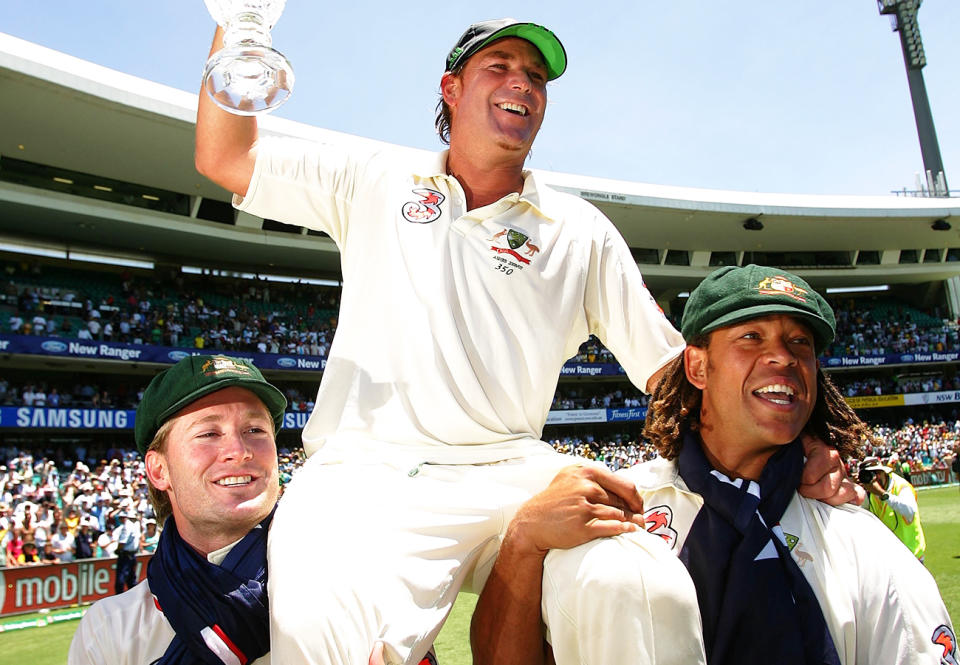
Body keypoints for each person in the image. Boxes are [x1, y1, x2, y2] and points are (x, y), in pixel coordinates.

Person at [195, 16, 856, 665]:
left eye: (537, 76)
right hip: (362, 475)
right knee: (321, 640)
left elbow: (674, 369)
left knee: (639, 583)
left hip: (513, 471)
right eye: (501, 67)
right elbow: (226, 156)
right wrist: (239, 20)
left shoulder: (578, 230)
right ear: (452, 89)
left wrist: (799, 443)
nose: (524, 84)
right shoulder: (374, 177)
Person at [477, 265, 954, 665]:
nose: (783, 357)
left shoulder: (864, 545)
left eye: (800, 343)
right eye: (751, 336)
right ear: (698, 368)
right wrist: (522, 543)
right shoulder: (614, 510)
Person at [68, 354, 287, 665]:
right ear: (159, 471)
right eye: (209, 433)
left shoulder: (351, 586)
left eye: (255, 430)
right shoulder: (109, 630)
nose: (239, 451)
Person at [857, 456, 926, 562]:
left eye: (874, 473)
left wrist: (883, 494)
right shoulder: (870, 492)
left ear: (882, 472)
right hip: (890, 556)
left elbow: (909, 511)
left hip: (912, 553)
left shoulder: (901, 486)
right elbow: (864, 515)